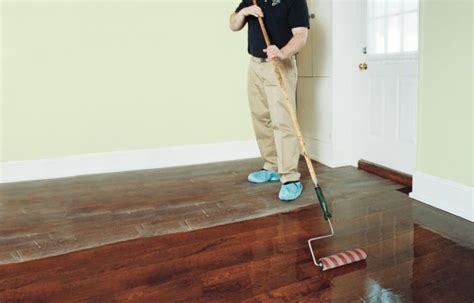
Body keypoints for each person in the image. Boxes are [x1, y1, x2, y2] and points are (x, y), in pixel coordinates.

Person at [229, 0, 310, 201]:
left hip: (280, 64)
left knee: (283, 121)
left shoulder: (295, 1)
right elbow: (233, 24)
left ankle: (290, 177)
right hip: (255, 65)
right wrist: (244, 12)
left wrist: (282, 52)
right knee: (261, 117)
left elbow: (301, 35)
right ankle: (272, 166)